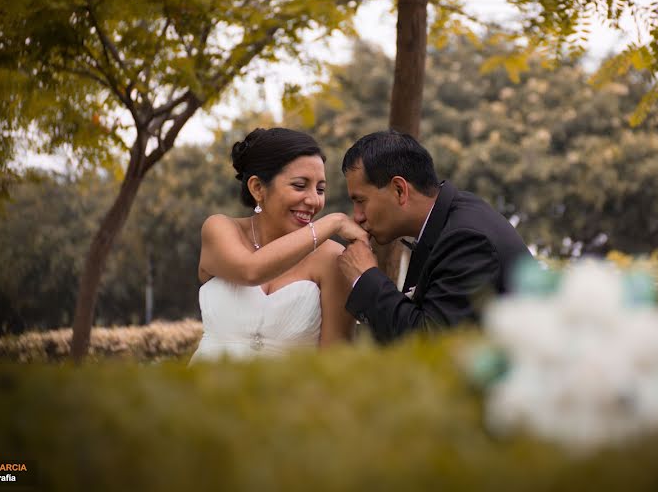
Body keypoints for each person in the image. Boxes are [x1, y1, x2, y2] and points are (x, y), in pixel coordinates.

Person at [189, 127, 369, 363]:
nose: (314, 200)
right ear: (257, 188)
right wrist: (333, 222)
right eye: (299, 185)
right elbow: (250, 271)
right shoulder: (220, 229)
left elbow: (335, 361)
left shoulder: (332, 259)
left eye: (320, 189)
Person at [337, 130, 533, 343]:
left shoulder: (466, 239)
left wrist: (365, 277)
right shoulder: (449, 219)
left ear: (400, 190)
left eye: (361, 201)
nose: (356, 217)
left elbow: (431, 344)